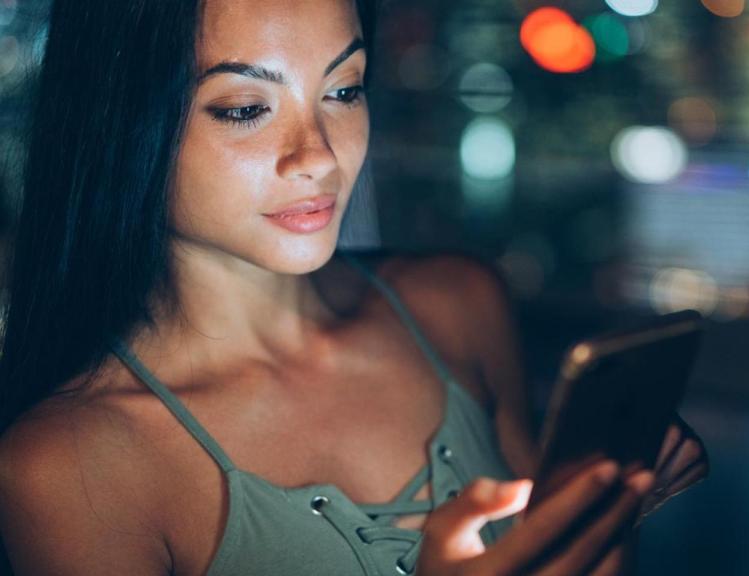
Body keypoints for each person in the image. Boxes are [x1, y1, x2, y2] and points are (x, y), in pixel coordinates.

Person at [0, 0, 708, 574]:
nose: (319, 155)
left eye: (343, 90)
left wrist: (604, 513)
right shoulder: (69, 468)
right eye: (246, 108)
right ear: (127, 122)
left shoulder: (456, 305)